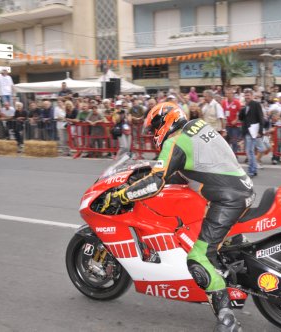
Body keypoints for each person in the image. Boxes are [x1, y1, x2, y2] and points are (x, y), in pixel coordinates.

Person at [101, 102, 253, 332]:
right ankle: (233, 271)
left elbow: (154, 183)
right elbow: (193, 165)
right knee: (220, 243)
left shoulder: (175, 141)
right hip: (239, 188)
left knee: (198, 258)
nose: (153, 135)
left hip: (228, 199)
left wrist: (122, 196)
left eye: (154, 129)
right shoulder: (198, 126)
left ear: (165, 122)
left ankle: (227, 318)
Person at [239, 88, 264, 177]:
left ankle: (251, 170)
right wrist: (242, 109)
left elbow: (261, 118)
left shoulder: (256, 104)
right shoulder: (245, 106)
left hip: (253, 131)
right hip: (246, 131)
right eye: (245, 95)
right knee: (250, 151)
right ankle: (254, 169)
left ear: (252, 96)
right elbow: (241, 118)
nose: (247, 97)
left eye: (248, 95)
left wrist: (260, 131)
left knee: (249, 151)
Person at [222, 88, 241, 154]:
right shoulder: (224, 102)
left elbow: (240, 113)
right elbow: (222, 113)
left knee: (234, 141)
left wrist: (236, 120)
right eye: (226, 93)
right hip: (226, 125)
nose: (228, 95)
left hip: (234, 126)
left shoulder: (237, 102)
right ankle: (228, 156)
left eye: (229, 93)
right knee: (226, 142)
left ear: (233, 94)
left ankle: (235, 155)